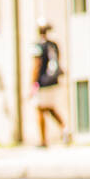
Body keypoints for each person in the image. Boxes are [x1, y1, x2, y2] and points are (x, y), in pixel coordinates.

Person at [31, 19, 70, 147]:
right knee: (49, 107)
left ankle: (43, 140)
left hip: (42, 81)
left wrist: (32, 83)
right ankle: (64, 128)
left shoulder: (38, 46)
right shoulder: (53, 45)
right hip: (53, 80)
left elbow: (36, 65)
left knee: (40, 109)